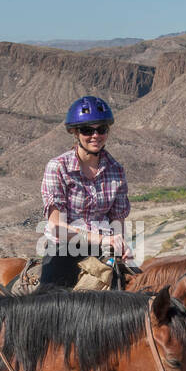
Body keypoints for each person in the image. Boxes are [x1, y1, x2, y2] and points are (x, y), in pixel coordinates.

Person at [37, 95, 131, 290]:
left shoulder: (116, 170)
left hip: (103, 250)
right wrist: (102, 238)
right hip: (64, 248)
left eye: (101, 129)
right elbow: (57, 227)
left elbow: (117, 222)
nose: (95, 136)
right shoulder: (58, 167)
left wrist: (120, 243)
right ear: (75, 133)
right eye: (88, 130)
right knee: (49, 302)